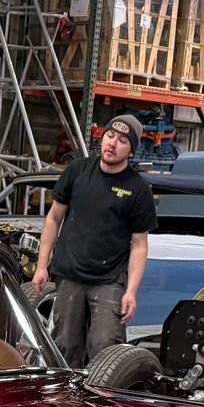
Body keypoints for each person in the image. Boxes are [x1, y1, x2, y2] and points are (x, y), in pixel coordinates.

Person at [30, 113, 158, 367]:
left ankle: (102, 406)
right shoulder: (77, 170)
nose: (112, 143)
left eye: (122, 140)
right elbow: (53, 218)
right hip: (69, 276)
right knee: (64, 348)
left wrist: (131, 291)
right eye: (110, 136)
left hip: (109, 281)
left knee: (105, 350)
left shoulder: (138, 188)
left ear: (131, 150)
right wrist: (42, 265)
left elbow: (140, 245)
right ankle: (63, 406)